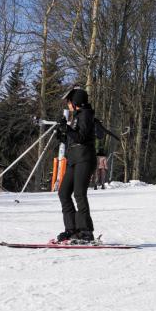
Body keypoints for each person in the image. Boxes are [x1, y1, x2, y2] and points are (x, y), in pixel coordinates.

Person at [55, 87, 97, 244]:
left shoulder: (86, 115)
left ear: (76, 102)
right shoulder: (77, 117)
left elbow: (82, 137)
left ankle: (85, 231)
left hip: (85, 158)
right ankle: (72, 229)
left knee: (79, 193)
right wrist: (62, 133)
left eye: (69, 102)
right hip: (74, 159)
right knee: (64, 192)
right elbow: (72, 138)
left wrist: (68, 130)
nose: (68, 105)